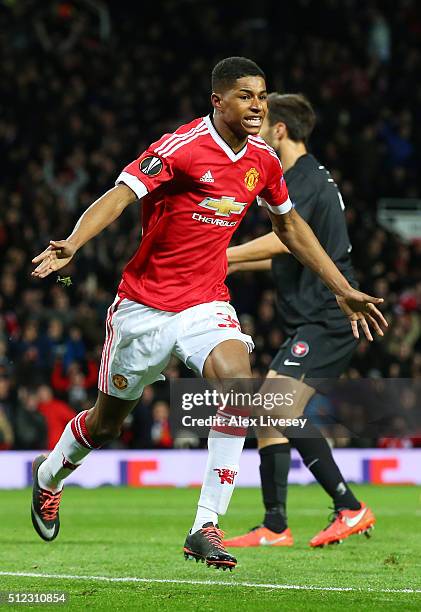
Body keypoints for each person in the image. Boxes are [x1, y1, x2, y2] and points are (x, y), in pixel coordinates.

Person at [30, 59, 387, 570]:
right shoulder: (181, 147)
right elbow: (120, 196)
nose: (257, 105)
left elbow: (290, 228)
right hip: (143, 308)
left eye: (262, 96)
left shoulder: (262, 160)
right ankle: (49, 476)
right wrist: (74, 243)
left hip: (206, 304)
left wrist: (342, 288)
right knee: (106, 425)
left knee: (239, 386)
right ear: (218, 101)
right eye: (245, 96)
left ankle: (205, 526)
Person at [225, 93, 379, 549]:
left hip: (329, 315)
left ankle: (350, 507)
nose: (255, 126)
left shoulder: (301, 180)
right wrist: (231, 265)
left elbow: (281, 241)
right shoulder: (310, 179)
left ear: (280, 131)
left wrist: (223, 253)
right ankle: (275, 526)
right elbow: (290, 253)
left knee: (274, 407)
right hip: (312, 316)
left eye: (263, 120)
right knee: (270, 415)